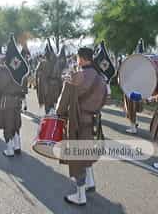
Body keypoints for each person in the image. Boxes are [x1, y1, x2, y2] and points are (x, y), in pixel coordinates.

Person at [56, 47, 107, 206]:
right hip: (93, 121)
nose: (77, 60)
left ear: (82, 59)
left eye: (78, 58)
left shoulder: (76, 76)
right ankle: (90, 183)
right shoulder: (101, 78)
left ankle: (80, 196)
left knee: (78, 159)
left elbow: (62, 104)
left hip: (78, 122)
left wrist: (59, 113)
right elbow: (105, 99)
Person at [0, 34, 28, 157]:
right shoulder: (19, 68)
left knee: (8, 125)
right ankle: (17, 146)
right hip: (17, 101)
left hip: (5, 102)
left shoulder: (1, 69)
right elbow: (23, 85)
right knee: (16, 123)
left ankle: (10, 150)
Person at [35, 39, 63, 114]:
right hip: (54, 87)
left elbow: (37, 73)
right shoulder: (56, 62)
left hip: (48, 88)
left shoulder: (43, 63)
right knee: (54, 106)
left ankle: (51, 120)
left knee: (49, 107)